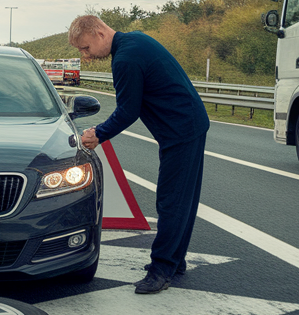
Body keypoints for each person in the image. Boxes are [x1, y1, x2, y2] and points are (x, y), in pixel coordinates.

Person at [68, 15, 208, 295]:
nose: (86, 55)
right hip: (187, 124)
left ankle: (161, 270)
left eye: (85, 48)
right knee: (184, 199)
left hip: (180, 130)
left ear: (98, 32)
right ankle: (175, 261)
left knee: (171, 201)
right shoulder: (135, 40)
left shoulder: (125, 59)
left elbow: (128, 110)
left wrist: (99, 133)